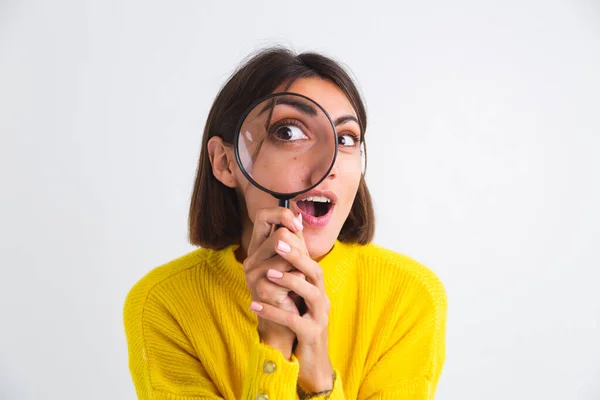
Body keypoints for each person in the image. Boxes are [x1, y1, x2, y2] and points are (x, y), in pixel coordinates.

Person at [123, 47, 447, 400]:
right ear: (226, 164)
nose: (331, 163)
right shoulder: (164, 303)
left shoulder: (409, 296)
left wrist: (318, 376)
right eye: (289, 132)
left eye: (346, 138)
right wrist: (274, 346)